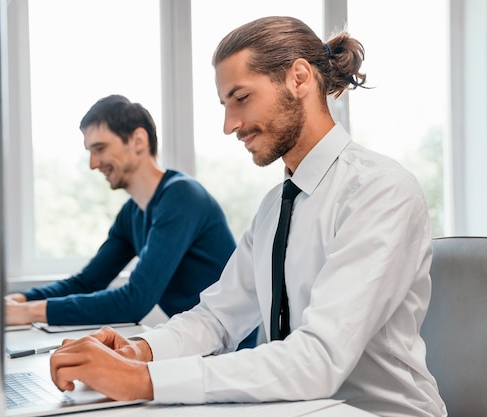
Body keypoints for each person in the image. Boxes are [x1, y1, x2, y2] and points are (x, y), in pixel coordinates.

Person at [47, 16, 447, 417]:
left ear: (299, 78)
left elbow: (318, 359)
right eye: (225, 105)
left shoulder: (380, 192)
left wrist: (141, 380)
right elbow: (217, 319)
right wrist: (141, 351)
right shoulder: (276, 206)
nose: (229, 125)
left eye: (241, 98)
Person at [0, 94, 257, 349]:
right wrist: (10, 301)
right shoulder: (132, 213)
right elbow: (87, 282)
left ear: (137, 140)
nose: (92, 164)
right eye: (90, 152)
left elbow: (135, 300)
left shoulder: (182, 197)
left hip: (232, 350)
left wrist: (25, 313)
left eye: (99, 149)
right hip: (196, 346)